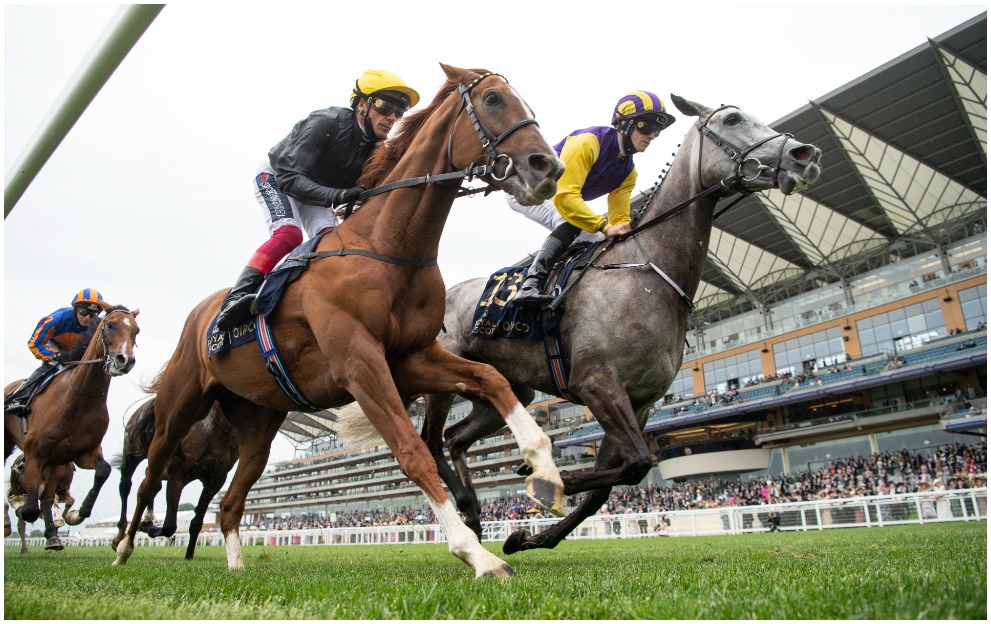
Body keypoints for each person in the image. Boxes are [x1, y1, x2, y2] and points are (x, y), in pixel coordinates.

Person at [215, 69, 421, 330]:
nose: (391, 117)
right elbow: (290, 178)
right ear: (362, 104)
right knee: (289, 235)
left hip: (315, 190)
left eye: (398, 112)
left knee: (335, 242)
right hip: (279, 178)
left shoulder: (377, 149)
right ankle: (237, 295)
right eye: (385, 106)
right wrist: (338, 195)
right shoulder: (326, 122)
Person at [507, 90, 676, 306]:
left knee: (598, 240)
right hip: (528, 188)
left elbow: (618, 220)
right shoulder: (588, 142)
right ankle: (530, 283)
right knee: (571, 222)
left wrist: (621, 229)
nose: (652, 135)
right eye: (647, 126)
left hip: (558, 195)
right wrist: (603, 225)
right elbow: (565, 197)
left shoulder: (629, 172)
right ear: (624, 123)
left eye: (657, 130)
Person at [4, 289, 106, 416]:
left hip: (77, 350)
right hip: (53, 345)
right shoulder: (58, 319)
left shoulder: (97, 325)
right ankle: (19, 398)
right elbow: (34, 343)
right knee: (52, 365)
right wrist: (55, 355)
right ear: (75, 309)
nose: (87, 318)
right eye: (83, 312)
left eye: (93, 314)